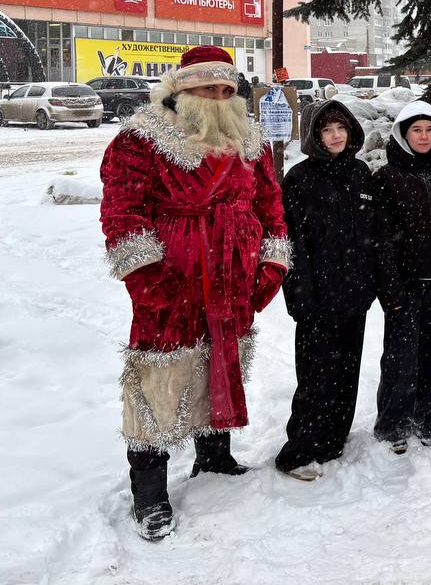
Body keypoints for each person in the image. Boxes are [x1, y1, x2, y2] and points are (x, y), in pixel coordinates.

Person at [99, 45, 290, 541]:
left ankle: (215, 456)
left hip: (233, 276)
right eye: (209, 88)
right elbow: (123, 211)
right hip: (174, 279)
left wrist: (270, 262)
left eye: (228, 90)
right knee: (158, 379)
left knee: (221, 360)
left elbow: (271, 203)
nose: (220, 97)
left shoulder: (249, 141)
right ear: (182, 89)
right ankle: (148, 487)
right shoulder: (140, 141)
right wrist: (149, 279)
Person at [275, 100, 377, 480]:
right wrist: (299, 292)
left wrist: (370, 283)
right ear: (315, 137)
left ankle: (333, 439)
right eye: (326, 130)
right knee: (317, 375)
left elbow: (371, 235)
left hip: (354, 295)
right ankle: (299, 450)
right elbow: (292, 240)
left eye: (341, 129)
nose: (335, 136)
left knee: (348, 370)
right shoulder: (300, 179)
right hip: (317, 296)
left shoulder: (360, 173)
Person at [372, 100, 431, 454]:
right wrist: (390, 285)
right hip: (405, 284)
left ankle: (429, 415)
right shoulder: (387, 179)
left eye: (429, 130)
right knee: (400, 356)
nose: (423, 136)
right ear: (403, 134)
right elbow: (381, 238)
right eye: (416, 130)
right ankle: (394, 421)